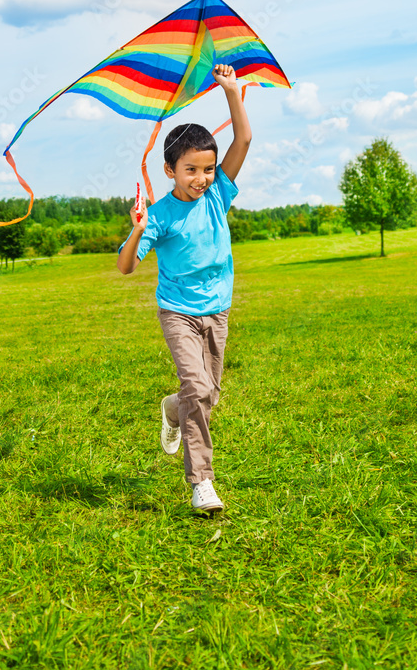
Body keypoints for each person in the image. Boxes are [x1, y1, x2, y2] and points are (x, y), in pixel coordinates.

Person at [117, 63, 251, 513]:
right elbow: (125, 267)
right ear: (170, 169)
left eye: (208, 169)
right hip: (177, 311)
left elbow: (244, 140)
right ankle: (202, 482)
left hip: (217, 310)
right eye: (191, 169)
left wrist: (231, 91)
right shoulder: (159, 215)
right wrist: (137, 229)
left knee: (205, 394)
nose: (201, 178)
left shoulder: (218, 195)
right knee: (197, 384)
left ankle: (174, 409)